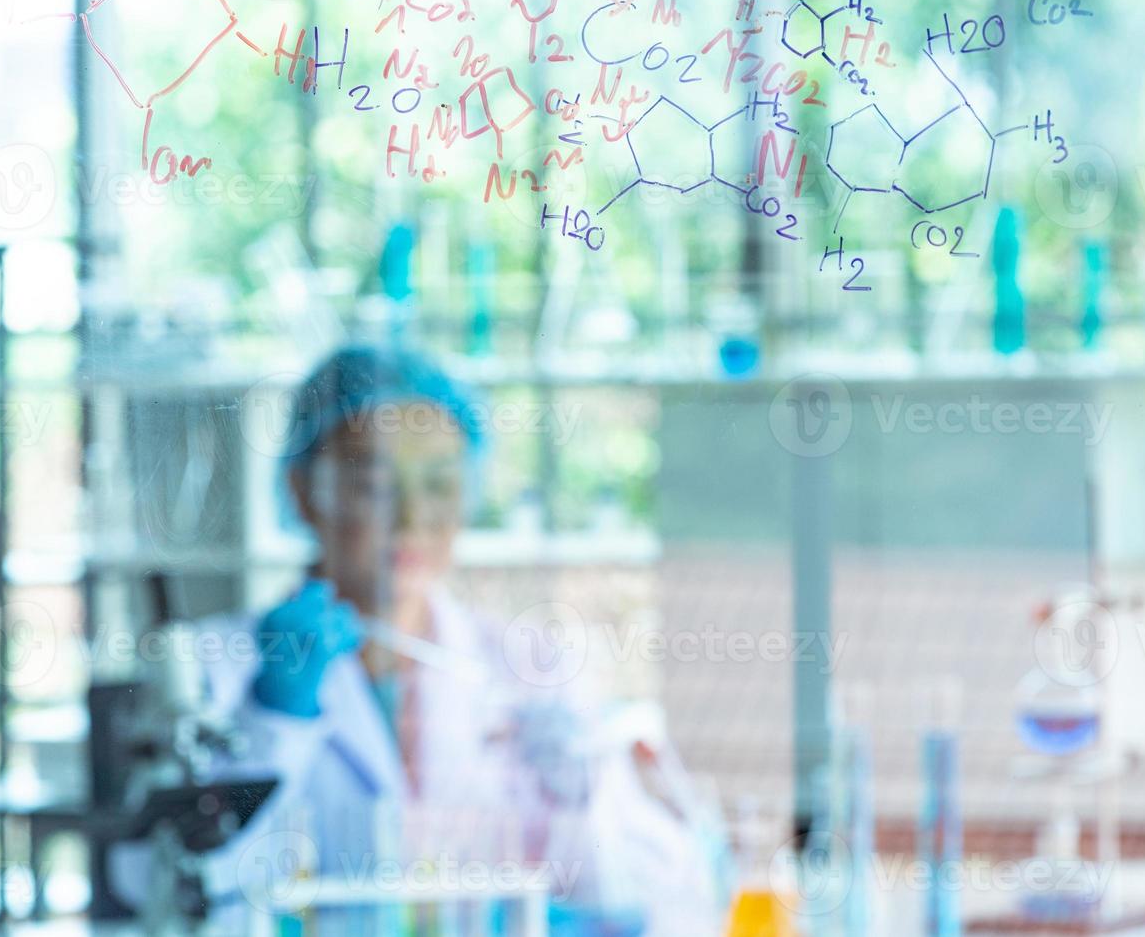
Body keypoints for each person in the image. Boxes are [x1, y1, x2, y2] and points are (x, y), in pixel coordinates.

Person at [114, 344, 724, 935]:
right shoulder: (206, 669)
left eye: (439, 484)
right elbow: (143, 880)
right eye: (374, 486)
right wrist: (274, 719)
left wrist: (585, 795)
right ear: (302, 492)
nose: (411, 519)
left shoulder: (530, 666)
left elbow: (642, 895)